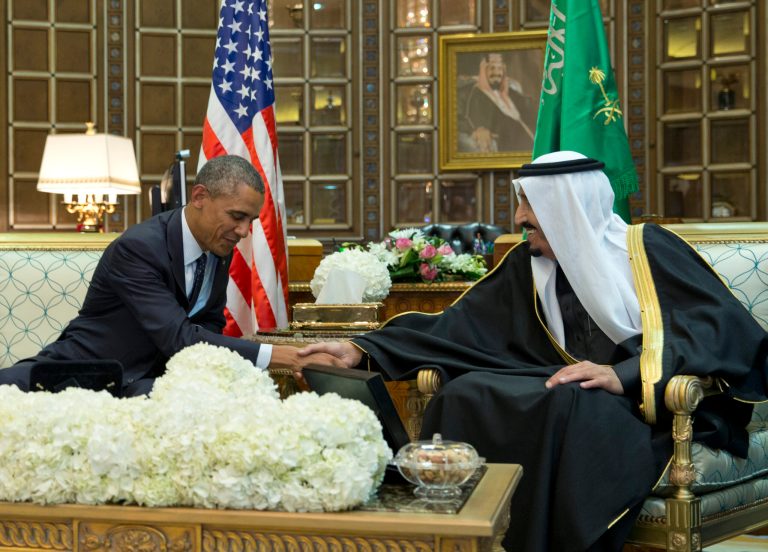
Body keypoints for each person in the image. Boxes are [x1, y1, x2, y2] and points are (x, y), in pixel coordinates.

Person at [298, 151, 768, 551]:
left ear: (569, 207)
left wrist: (623, 373)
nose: (519, 218)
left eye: (530, 203)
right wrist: (361, 350)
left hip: (644, 406)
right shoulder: (528, 265)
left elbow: (722, 329)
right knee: (467, 394)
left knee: (566, 400)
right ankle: (467, 540)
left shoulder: (646, 249)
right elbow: (454, 329)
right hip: (566, 392)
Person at [0, 155, 343, 396]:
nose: (243, 231)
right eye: (237, 216)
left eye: (250, 221)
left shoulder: (218, 248)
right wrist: (288, 356)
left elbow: (206, 330)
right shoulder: (138, 248)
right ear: (199, 197)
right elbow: (179, 338)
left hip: (148, 386)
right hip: (78, 378)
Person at [458, 52, 538, 153]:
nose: (497, 73)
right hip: (509, 146)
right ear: (484, 71)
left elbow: (529, 105)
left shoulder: (510, 92)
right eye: (492, 68)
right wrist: (477, 131)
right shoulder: (477, 96)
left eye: (500, 69)